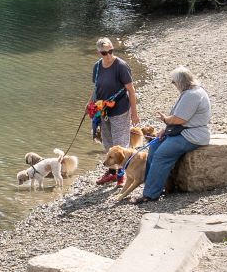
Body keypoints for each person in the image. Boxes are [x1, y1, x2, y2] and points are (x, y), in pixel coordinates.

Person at [128, 68, 212, 204]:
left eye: (174, 82)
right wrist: (164, 130)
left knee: (162, 154)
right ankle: (152, 185)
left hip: (192, 135)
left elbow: (179, 119)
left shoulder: (192, 95)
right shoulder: (189, 92)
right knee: (154, 147)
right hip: (182, 131)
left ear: (181, 82)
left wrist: (166, 119)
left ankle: (150, 195)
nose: (173, 85)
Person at [89, 37, 139, 183]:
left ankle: (122, 175)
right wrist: (90, 104)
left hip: (120, 110)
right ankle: (112, 172)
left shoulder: (121, 66)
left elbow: (131, 90)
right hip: (103, 111)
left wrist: (134, 114)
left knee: (120, 144)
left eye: (111, 51)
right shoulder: (97, 67)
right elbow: (96, 88)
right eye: (105, 53)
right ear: (99, 53)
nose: (109, 55)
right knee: (108, 142)